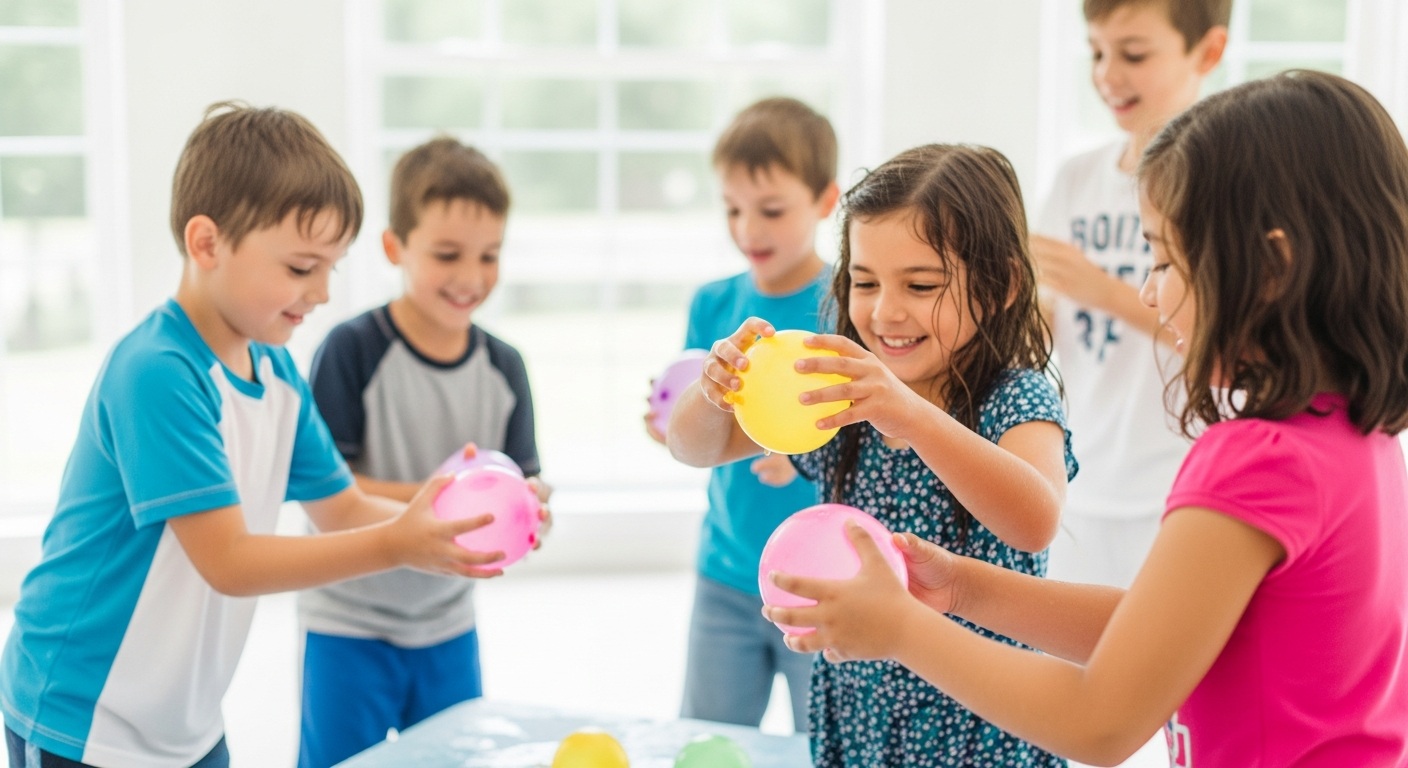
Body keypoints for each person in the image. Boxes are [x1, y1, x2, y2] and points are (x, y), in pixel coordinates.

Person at [765, 72, 1408, 768]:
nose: (1149, 292)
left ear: (1272, 266)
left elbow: (1098, 722)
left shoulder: (1258, 461)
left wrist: (902, 631)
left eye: (1166, 257)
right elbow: (1151, 631)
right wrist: (961, 588)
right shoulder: (1355, 438)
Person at [1, 104, 503, 768]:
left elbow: (342, 508)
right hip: (83, 716)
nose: (322, 292)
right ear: (206, 243)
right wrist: (397, 544)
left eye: (332, 267)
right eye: (301, 268)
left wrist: (455, 522)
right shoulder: (159, 373)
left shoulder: (278, 372)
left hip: (187, 722)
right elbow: (230, 561)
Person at [669, 144, 1077, 766]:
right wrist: (712, 392)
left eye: (920, 285)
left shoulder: (1016, 396)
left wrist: (911, 414)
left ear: (1000, 287)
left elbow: (1034, 522)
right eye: (864, 281)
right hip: (861, 708)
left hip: (981, 718)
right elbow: (695, 447)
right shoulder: (838, 385)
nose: (886, 311)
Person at [297, 137, 551, 768]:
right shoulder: (350, 351)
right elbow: (330, 493)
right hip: (348, 623)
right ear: (395, 248)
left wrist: (534, 508)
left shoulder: (504, 366)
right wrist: (448, 500)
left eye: (488, 255)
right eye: (446, 254)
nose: (470, 277)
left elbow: (525, 482)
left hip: (447, 626)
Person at [645, 97, 839, 731]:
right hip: (726, 569)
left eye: (771, 210)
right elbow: (695, 425)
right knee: (707, 737)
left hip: (822, 582)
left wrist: (801, 455)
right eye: (733, 209)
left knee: (825, 741)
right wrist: (668, 419)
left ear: (825, 201)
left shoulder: (848, 306)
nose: (748, 229)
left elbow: (861, 425)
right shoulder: (713, 303)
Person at [1033, 0, 1228, 588]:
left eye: (1134, 53)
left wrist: (1102, 291)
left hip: (1180, 483)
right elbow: (1045, 320)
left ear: (1208, 52)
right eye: (1096, 52)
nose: (1107, 74)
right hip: (1081, 483)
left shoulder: (1225, 184)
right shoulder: (1076, 177)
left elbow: (1226, 337)